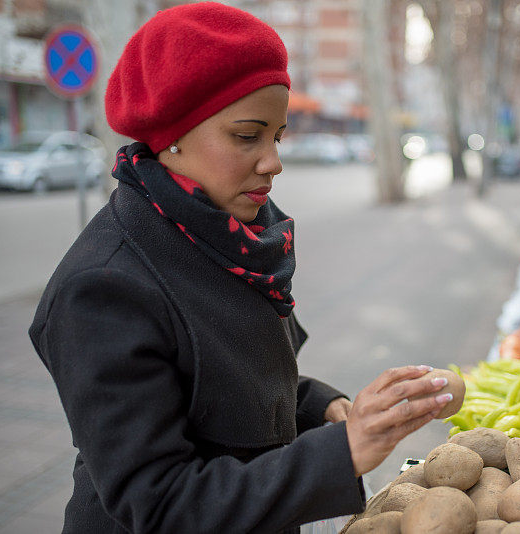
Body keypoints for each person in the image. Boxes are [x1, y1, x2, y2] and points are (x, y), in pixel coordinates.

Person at [28, 3, 453, 533]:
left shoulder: (238, 234)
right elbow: (159, 504)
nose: (273, 161)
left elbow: (232, 388)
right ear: (172, 134)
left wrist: (325, 408)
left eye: (277, 135)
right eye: (248, 135)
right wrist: (339, 455)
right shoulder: (103, 288)